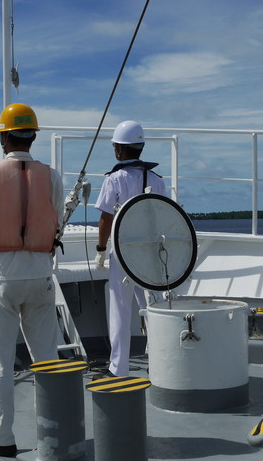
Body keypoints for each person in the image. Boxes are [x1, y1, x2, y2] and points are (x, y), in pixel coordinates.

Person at [0, 103, 64, 457]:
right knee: (48, 358)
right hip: (41, 274)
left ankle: (1, 438)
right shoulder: (52, 176)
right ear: (33, 137)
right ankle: (56, 433)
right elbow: (56, 222)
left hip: (2, 277)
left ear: (4, 138)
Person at [94, 120, 166, 377]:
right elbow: (164, 215)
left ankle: (119, 368)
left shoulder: (114, 179)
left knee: (120, 311)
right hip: (150, 254)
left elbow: (106, 218)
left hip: (123, 253)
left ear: (119, 149)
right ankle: (162, 363)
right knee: (154, 309)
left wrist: (101, 249)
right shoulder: (156, 180)